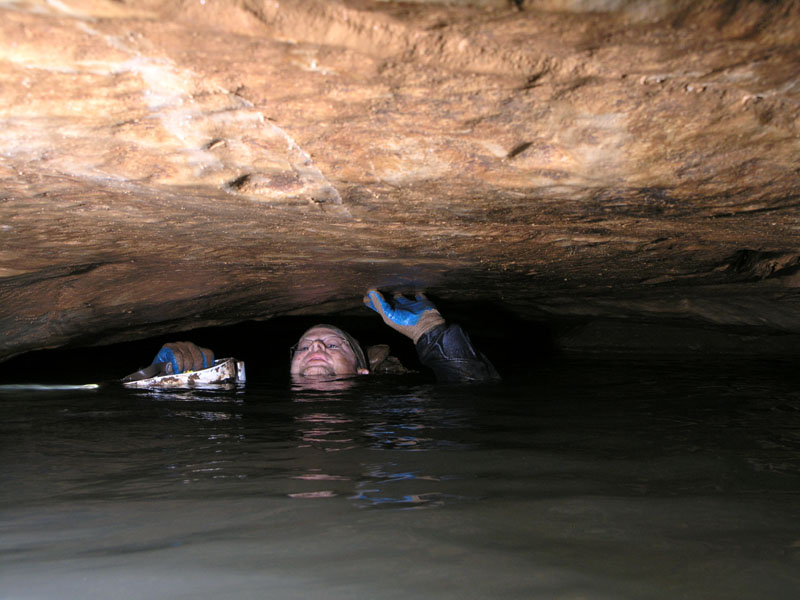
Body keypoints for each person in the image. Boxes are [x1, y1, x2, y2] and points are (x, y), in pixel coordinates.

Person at [140, 289, 498, 384]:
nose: (317, 348)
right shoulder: (252, 405)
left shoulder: (388, 415)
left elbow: (475, 404)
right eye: (306, 346)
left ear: (362, 369)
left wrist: (429, 334)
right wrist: (165, 382)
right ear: (291, 366)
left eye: (333, 343)